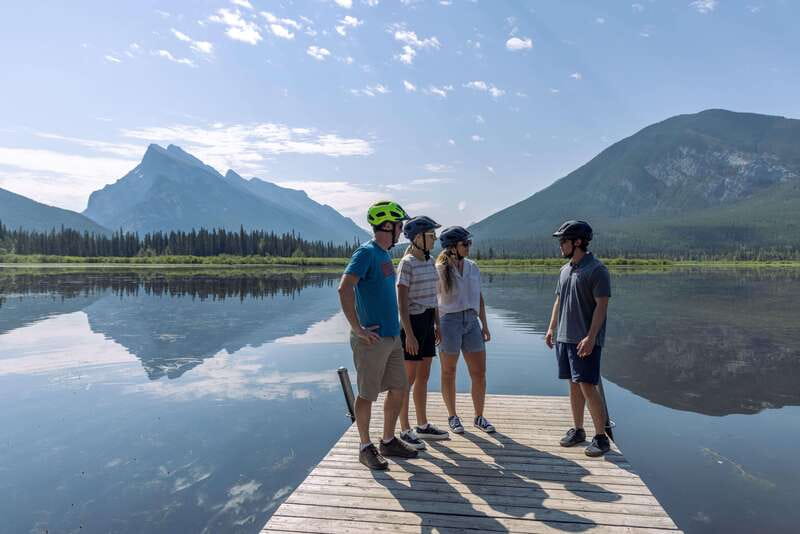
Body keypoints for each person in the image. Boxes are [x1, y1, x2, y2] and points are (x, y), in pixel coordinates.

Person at [338, 200, 418, 470]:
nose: (402, 230)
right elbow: (344, 289)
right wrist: (357, 327)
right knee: (368, 393)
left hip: (391, 336)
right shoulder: (366, 253)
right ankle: (364, 446)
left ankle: (387, 440)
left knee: (399, 388)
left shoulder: (384, 255)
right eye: (400, 225)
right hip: (370, 340)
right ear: (388, 226)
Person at [544, 220, 612, 457]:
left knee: (588, 386)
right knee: (573, 386)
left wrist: (591, 337)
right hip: (564, 338)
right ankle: (578, 430)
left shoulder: (597, 270)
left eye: (563, 241)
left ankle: (601, 437)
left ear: (578, 242)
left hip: (585, 340)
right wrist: (552, 328)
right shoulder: (565, 270)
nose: (560, 245)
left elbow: (601, 307)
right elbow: (558, 301)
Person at [396, 216, 450, 450]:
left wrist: (437, 324)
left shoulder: (428, 262)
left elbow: (433, 298)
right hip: (412, 323)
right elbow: (401, 302)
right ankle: (405, 429)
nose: (435, 240)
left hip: (428, 320)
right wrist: (408, 334)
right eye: (431, 236)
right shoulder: (407, 263)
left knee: (424, 377)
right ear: (418, 238)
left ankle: (422, 425)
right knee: (407, 380)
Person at [435, 226, 495, 435]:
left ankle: (479, 417)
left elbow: (479, 297)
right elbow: (433, 303)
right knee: (448, 372)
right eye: (465, 244)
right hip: (448, 323)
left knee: (479, 372)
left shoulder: (473, 267)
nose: (469, 247)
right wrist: (436, 327)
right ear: (452, 247)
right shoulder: (440, 270)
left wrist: (485, 325)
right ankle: (453, 416)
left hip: (471, 322)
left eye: (469, 243)